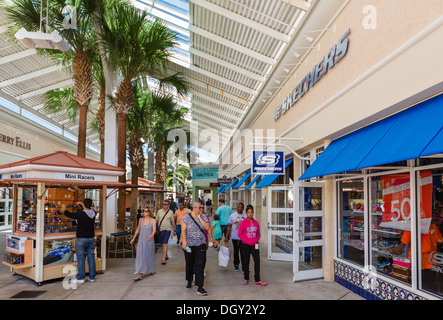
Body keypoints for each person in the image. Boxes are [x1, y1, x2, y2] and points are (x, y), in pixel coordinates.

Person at [181, 202, 213, 296]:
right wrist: (185, 242)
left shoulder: (203, 216)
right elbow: (183, 230)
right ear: (194, 208)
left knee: (200, 264)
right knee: (189, 263)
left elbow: (207, 227)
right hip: (189, 245)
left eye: (202, 207)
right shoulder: (186, 217)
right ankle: (189, 280)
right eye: (200, 207)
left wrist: (199, 217)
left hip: (201, 244)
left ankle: (200, 287)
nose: (201, 209)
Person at [62, 198, 97, 283]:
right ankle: (92, 277)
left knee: (81, 259)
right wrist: (82, 203)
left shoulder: (80, 214)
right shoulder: (94, 213)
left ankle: (81, 278)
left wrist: (64, 208)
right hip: (91, 239)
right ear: (91, 205)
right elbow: (89, 208)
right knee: (91, 258)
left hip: (81, 239)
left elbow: (68, 214)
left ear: (84, 205)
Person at [238, 205, 267, 286]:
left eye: (251, 212)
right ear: (246, 213)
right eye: (249, 212)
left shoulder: (256, 222)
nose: (250, 214)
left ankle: (257, 279)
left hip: (254, 244)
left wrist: (255, 241)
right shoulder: (243, 222)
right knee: (246, 262)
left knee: (257, 261)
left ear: (253, 213)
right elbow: (240, 234)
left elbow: (258, 234)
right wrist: (247, 241)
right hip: (245, 245)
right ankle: (246, 278)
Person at [130, 207, 156, 281]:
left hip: (149, 241)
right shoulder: (141, 220)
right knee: (140, 256)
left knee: (149, 255)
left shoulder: (153, 220)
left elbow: (154, 230)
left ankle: (151, 270)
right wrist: (133, 239)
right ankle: (139, 274)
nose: (144, 212)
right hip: (141, 240)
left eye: (146, 211)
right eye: (143, 211)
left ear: (149, 213)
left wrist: (152, 235)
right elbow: (138, 229)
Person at [225, 203, 246, 271]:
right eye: (238, 207)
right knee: (236, 251)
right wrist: (226, 237)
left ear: (243, 208)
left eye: (241, 207)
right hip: (235, 237)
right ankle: (236, 265)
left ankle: (244, 266)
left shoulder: (245, 216)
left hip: (243, 238)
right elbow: (229, 226)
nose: (239, 208)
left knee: (243, 252)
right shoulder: (232, 216)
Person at [155, 200, 176, 264]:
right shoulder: (159, 211)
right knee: (162, 243)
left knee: (165, 243)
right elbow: (156, 220)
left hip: (167, 230)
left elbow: (172, 222)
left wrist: (174, 230)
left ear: (168, 205)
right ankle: (166, 255)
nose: (164, 205)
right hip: (160, 230)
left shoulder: (170, 212)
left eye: (166, 204)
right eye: (163, 204)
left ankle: (163, 259)